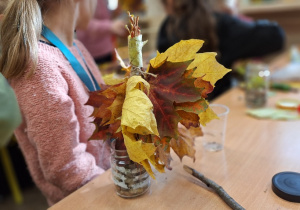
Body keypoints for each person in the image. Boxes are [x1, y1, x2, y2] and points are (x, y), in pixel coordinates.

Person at [0, 0, 110, 206]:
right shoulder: (38, 66)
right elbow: (68, 170)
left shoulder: (77, 47)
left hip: (109, 184)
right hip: (91, 200)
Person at [158, 0, 285, 100]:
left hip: (181, 113)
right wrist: (234, 19)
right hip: (221, 105)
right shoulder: (222, 23)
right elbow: (276, 36)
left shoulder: (167, 28)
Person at [76, 0, 128, 65]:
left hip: (107, 49)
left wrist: (114, 13)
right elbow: (82, 23)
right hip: (91, 52)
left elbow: (103, 16)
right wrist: (110, 26)